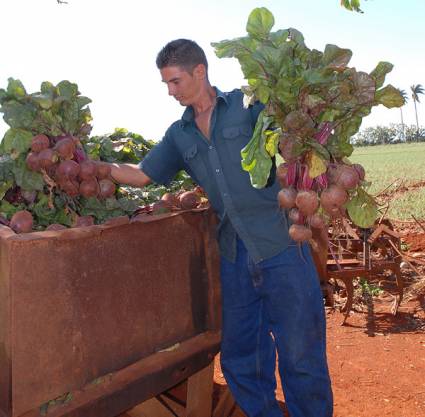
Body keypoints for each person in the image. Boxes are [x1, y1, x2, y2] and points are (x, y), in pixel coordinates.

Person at [110, 39, 333, 417]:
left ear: (200, 71)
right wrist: (95, 166)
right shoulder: (179, 134)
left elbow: (296, 138)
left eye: (176, 81)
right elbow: (142, 175)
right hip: (234, 254)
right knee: (241, 360)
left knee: (301, 355)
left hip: (282, 245)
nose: (170, 91)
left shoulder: (249, 107)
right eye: (166, 83)